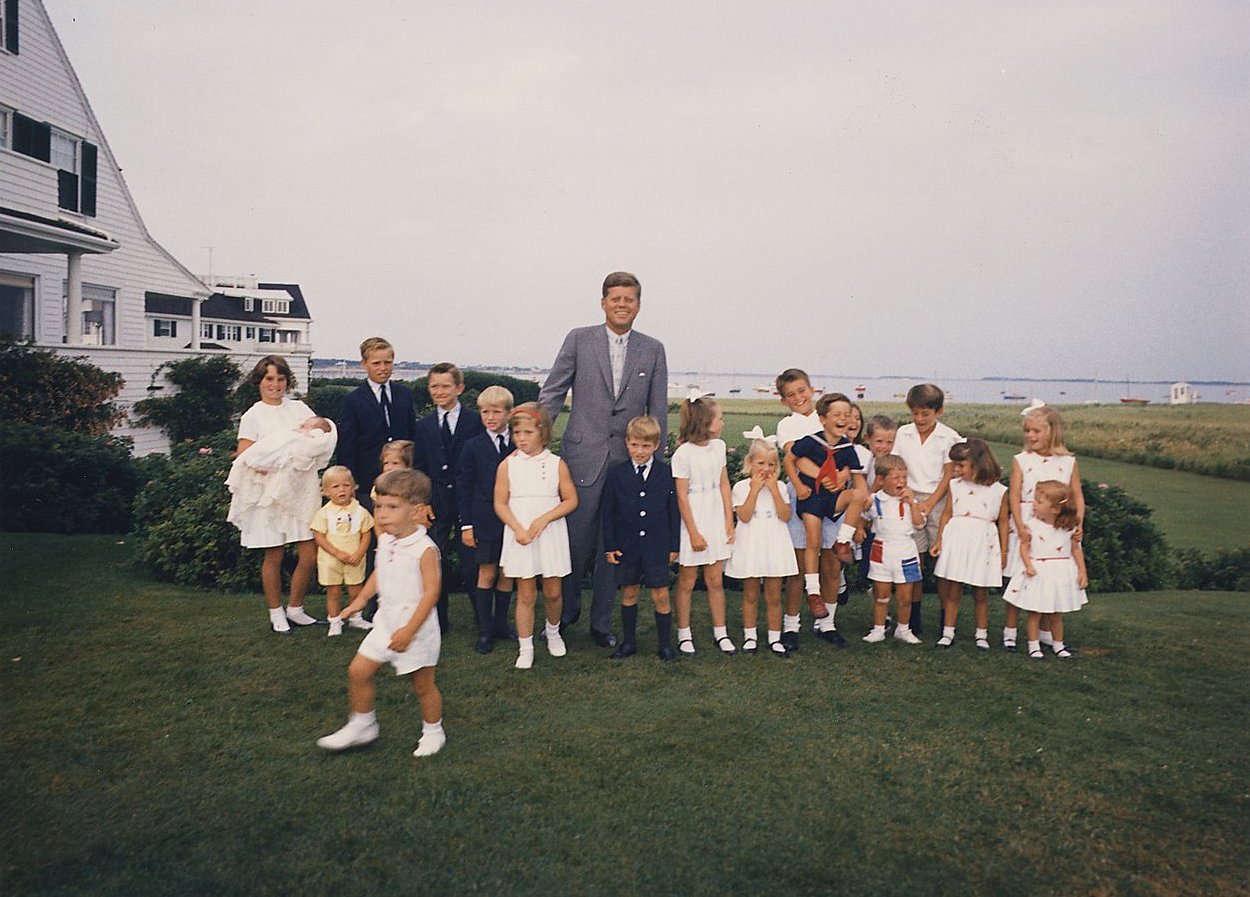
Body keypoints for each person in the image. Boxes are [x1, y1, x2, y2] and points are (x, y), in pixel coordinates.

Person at [538, 271, 668, 649]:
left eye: (629, 299)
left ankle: (601, 623)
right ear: (603, 303)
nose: (622, 305)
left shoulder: (653, 348)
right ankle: (564, 614)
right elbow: (553, 391)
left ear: (638, 305)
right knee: (575, 544)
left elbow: (657, 407)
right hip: (582, 458)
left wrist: (652, 466)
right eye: (615, 298)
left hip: (627, 463)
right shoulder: (579, 339)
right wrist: (535, 440)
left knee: (615, 548)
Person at [317, 469, 446, 757]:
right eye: (379, 506)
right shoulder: (386, 540)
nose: (383, 514)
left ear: (417, 511)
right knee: (358, 671)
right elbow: (379, 572)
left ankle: (433, 731)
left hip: (416, 629)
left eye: (392, 507)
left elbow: (431, 594)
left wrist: (409, 631)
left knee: (423, 685)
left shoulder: (425, 549)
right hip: (385, 624)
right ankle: (363, 725)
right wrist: (360, 600)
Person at [231, 355, 328, 634]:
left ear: (287, 381)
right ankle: (276, 613)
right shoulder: (253, 415)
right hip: (269, 495)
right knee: (273, 555)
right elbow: (245, 455)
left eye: (281, 379)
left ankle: (295, 609)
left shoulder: (299, 408)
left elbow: (317, 438)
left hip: (300, 491)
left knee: (309, 553)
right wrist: (271, 461)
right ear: (259, 381)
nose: (275, 384)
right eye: (269, 379)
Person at [495, 403, 578, 670]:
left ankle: (552, 632)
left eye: (528, 432)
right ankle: (526, 645)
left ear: (542, 432)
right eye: (517, 433)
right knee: (526, 593)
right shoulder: (507, 465)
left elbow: (571, 500)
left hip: (550, 531)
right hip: (520, 533)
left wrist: (544, 519)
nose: (522, 438)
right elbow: (500, 503)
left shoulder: (556, 464)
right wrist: (518, 528)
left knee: (553, 591)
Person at [1002, 405, 1085, 652]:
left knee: (1051, 580)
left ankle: (1046, 632)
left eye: (1036, 431)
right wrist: (1019, 526)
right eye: (1027, 431)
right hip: (1027, 525)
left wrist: (1078, 523)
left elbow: (1077, 496)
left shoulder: (1068, 462)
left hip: (1059, 526)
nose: (1031, 435)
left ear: (1052, 431)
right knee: (1021, 580)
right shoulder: (1021, 460)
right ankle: (1010, 631)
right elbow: (1014, 497)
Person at [790, 392, 869, 644]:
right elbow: (790, 460)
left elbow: (859, 483)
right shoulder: (810, 441)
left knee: (856, 495)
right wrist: (799, 485)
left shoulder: (848, 449)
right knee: (812, 542)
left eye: (847, 414)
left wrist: (862, 505)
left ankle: (842, 541)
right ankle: (813, 593)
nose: (843, 419)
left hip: (833, 502)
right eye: (837, 414)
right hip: (811, 498)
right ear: (823, 419)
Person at [413, 362, 485, 634]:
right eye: (434, 386)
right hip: (436, 500)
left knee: (473, 563)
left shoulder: (475, 421)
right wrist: (422, 503)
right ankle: (438, 622)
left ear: (459, 388)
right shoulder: (423, 426)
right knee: (434, 560)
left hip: (467, 500)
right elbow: (418, 468)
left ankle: (484, 621)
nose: (440, 391)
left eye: (446, 386)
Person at [601, 416, 679, 661]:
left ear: (656, 445)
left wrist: (674, 545)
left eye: (646, 446)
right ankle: (629, 642)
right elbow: (608, 513)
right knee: (630, 592)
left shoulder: (666, 474)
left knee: (661, 595)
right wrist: (611, 545)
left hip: (656, 546)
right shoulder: (617, 474)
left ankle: (665, 645)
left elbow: (673, 512)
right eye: (634, 445)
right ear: (627, 443)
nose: (639, 451)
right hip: (628, 546)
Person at [892, 383, 963, 636]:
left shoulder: (949, 437)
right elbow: (897, 465)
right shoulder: (903, 433)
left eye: (926, 414)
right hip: (909, 498)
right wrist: (909, 498)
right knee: (915, 560)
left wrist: (931, 503)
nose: (919, 419)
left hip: (940, 500)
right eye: (915, 413)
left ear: (939, 411)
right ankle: (913, 618)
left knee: (942, 561)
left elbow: (949, 474)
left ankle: (947, 620)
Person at [773, 368, 835, 653]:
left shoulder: (827, 416)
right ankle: (791, 625)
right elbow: (796, 459)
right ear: (784, 400)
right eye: (790, 395)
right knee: (799, 565)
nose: (798, 398)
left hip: (834, 494)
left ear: (812, 389)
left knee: (830, 563)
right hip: (802, 493)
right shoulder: (788, 424)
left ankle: (827, 624)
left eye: (801, 391)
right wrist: (824, 475)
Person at [672, 393, 735, 655]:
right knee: (687, 580)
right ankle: (684, 633)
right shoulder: (683, 453)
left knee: (715, 580)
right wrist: (694, 533)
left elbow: (723, 483)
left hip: (715, 516)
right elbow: (682, 496)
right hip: (694, 519)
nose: (722, 422)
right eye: (719, 418)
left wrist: (728, 520)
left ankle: (721, 632)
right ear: (705, 422)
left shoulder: (718, 447)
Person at [455, 386, 517, 654]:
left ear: (509, 413)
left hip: (513, 520)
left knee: (506, 573)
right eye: (484, 412)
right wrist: (466, 525)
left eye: (496, 411)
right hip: (484, 520)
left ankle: (501, 624)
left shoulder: (518, 443)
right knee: (487, 572)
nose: (490, 417)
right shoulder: (473, 446)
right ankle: (485, 630)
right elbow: (464, 487)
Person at [724, 437, 799, 657]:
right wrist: (755, 490)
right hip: (752, 543)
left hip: (774, 543)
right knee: (751, 593)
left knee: (774, 595)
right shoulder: (740, 487)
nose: (766, 469)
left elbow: (785, 515)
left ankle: (775, 637)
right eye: (761, 463)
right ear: (750, 463)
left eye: (771, 464)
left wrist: (774, 490)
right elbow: (745, 516)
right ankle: (750, 636)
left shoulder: (781, 488)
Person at [930, 439, 1008, 650]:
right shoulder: (955, 486)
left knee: (980, 593)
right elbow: (947, 514)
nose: (955, 470)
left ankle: (981, 635)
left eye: (960, 465)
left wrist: (1004, 552)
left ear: (977, 463)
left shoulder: (998, 490)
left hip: (983, 542)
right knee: (953, 590)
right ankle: (948, 633)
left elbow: (1003, 522)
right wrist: (939, 540)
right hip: (957, 539)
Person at [1002, 480, 1087, 659]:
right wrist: (1029, 565)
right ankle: (1033, 645)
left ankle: (1058, 645)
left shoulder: (1068, 528)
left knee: (1056, 613)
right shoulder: (1031, 525)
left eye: (1039, 502)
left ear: (1055, 509)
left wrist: (1082, 571)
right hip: (1039, 572)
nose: (1033, 504)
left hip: (1060, 572)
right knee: (1035, 611)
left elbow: (1075, 549)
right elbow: (1024, 547)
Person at [335, 337, 417, 509]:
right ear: (364, 364)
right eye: (376, 363)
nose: (383, 368)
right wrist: (350, 484)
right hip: (367, 481)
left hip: (403, 480)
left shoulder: (405, 395)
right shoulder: (352, 400)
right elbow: (347, 445)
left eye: (388, 362)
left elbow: (412, 436)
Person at [861, 455, 926, 645]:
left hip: (906, 550)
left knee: (905, 597)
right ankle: (878, 629)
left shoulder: (911, 500)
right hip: (882, 550)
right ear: (881, 480)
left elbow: (919, 524)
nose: (902, 482)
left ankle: (903, 629)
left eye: (904, 477)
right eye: (896, 478)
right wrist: (858, 528)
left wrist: (912, 503)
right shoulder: (875, 500)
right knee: (881, 595)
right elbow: (864, 518)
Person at [310, 466, 374, 637]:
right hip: (331, 559)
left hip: (355, 558)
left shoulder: (361, 511)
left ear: (353, 488)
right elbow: (319, 536)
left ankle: (355, 617)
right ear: (326, 491)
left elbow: (366, 533)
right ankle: (335, 620)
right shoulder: (324, 513)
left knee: (356, 590)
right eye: (336, 487)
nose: (342, 490)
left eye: (346, 485)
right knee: (334, 592)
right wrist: (337, 553)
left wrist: (360, 553)